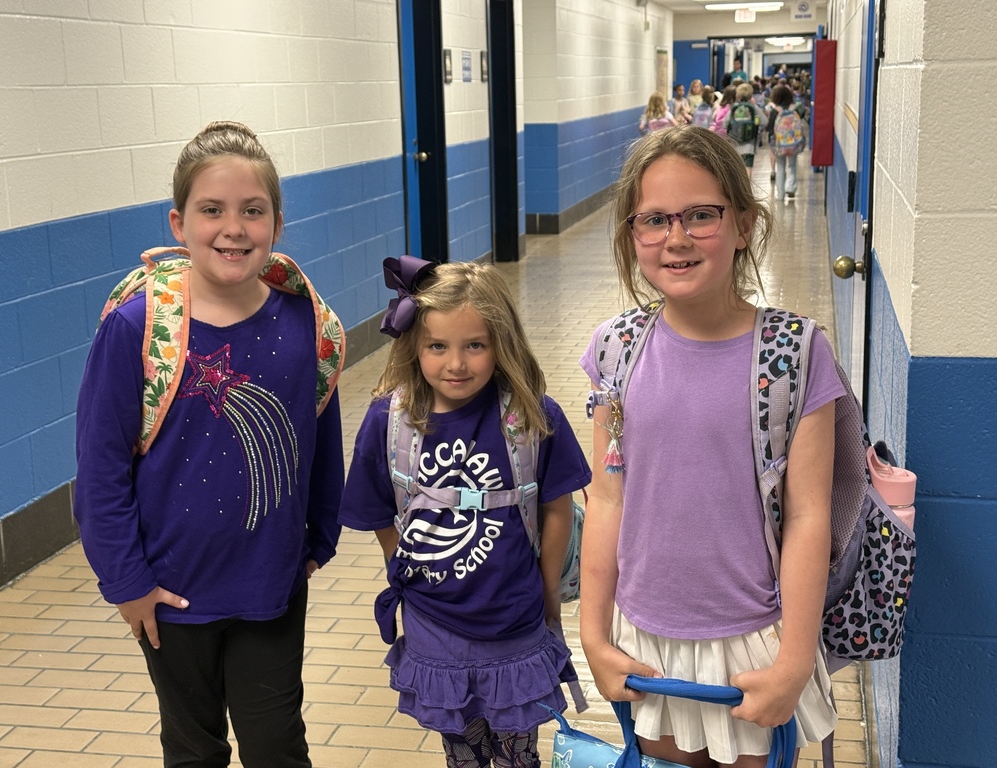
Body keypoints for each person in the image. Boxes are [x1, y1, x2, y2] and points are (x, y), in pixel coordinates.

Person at [74, 121, 345, 767]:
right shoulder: (138, 328)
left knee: (277, 744)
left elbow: (321, 437)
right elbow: (101, 467)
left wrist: (318, 539)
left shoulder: (307, 323)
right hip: (172, 593)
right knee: (193, 749)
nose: (234, 228)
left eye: (253, 211)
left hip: (270, 582)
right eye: (212, 210)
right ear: (178, 223)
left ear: (276, 224)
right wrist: (127, 582)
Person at [578, 126, 842, 768]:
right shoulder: (615, 352)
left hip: (753, 639)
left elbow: (809, 516)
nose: (676, 238)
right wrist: (592, 635)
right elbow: (607, 497)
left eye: (701, 215)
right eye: (654, 220)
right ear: (630, 235)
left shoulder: (794, 355)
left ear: (744, 225)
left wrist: (794, 660)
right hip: (647, 639)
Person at [339, 258, 591, 768]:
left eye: (474, 345)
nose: (456, 363)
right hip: (436, 625)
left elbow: (557, 508)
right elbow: (377, 512)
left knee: (519, 752)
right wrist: (404, 570)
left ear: (502, 344)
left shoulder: (531, 416)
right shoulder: (391, 420)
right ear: (414, 345)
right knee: (463, 750)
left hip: (516, 618)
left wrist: (547, 594)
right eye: (438, 346)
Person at [767, 84, 807, 201]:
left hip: (779, 145)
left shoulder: (774, 111)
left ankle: (780, 195)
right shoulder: (795, 110)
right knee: (792, 165)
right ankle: (791, 187)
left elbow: (769, 127)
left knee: (780, 167)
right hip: (793, 143)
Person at [727, 82, 768, 179]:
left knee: (737, 167)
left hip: (735, 142)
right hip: (749, 142)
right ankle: (747, 188)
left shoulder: (734, 108)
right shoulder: (753, 108)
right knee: (748, 166)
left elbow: (725, 123)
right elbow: (764, 121)